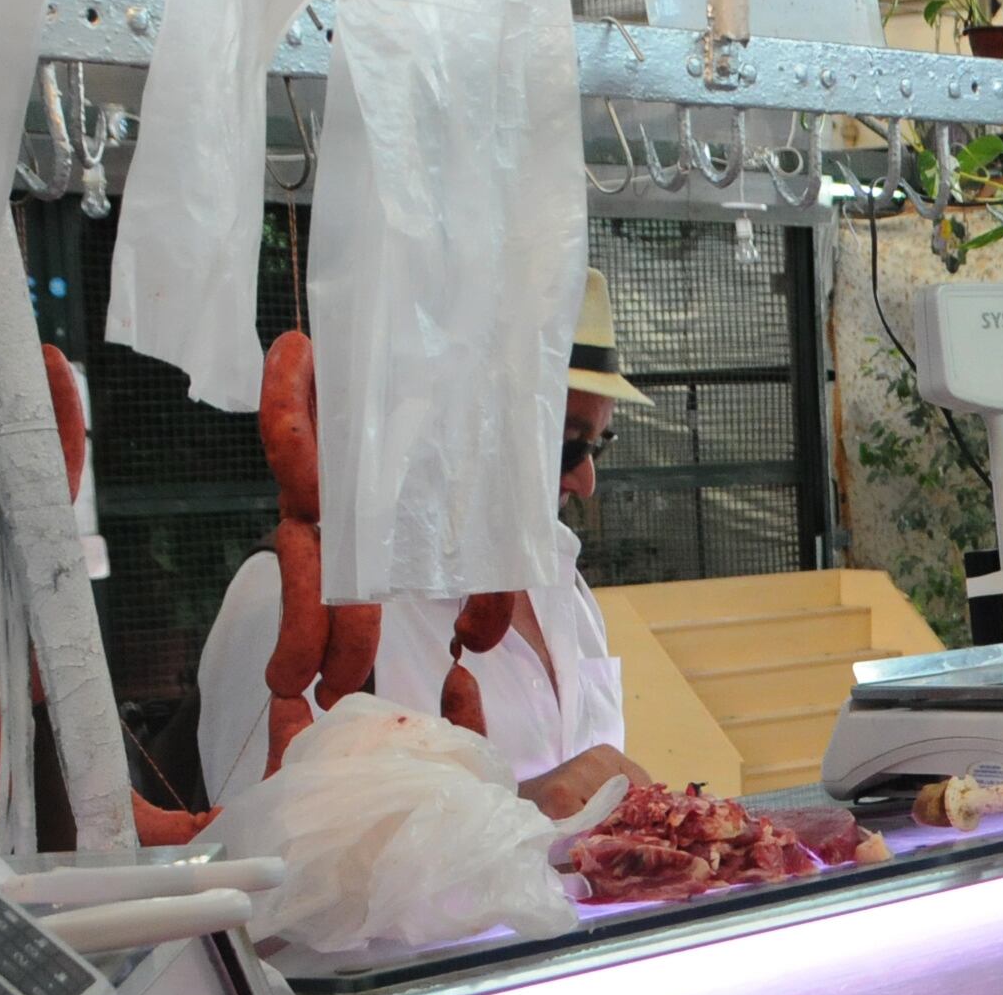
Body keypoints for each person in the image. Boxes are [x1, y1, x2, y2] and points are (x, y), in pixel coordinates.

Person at [189, 268, 655, 818]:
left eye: (598, 445)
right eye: (565, 447)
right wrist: (515, 815)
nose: (585, 482)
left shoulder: (563, 583)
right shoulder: (291, 593)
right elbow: (260, 861)